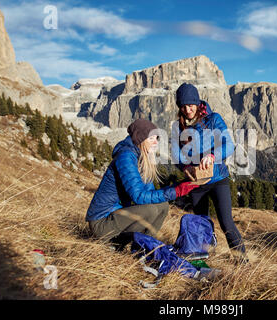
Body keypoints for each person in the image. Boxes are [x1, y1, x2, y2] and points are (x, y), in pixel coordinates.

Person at [86, 118, 201, 250]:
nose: (156, 142)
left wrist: (180, 186)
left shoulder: (141, 158)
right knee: (150, 210)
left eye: (157, 138)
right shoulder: (126, 157)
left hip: (116, 217)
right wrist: (175, 191)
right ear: (141, 138)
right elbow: (139, 197)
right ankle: (119, 244)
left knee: (162, 206)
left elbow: (150, 195)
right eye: (152, 138)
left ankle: (145, 247)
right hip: (101, 223)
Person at [171, 83, 248, 263]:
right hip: (196, 182)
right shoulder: (178, 127)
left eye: (191, 105)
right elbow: (176, 155)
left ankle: (243, 262)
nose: (187, 109)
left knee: (226, 223)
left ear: (198, 104)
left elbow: (229, 145)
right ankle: (203, 260)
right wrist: (185, 167)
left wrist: (213, 156)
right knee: (200, 223)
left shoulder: (213, 119)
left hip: (218, 178)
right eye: (183, 106)